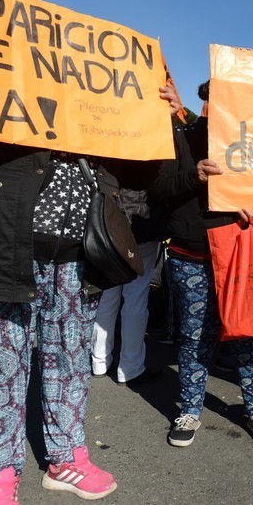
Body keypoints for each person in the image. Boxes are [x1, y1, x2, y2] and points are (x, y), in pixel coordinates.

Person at [0, 9, 180, 502]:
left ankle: (66, 457)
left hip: (79, 261)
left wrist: (163, 118)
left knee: (69, 364)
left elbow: (154, 179)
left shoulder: (101, 116)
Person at [149, 81, 253, 448]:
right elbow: (158, 189)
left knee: (247, 333)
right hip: (191, 254)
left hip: (239, 253)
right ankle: (190, 408)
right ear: (205, 102)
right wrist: (196, 176)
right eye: (214, 99)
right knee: (193, 338)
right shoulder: (182, 136)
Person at [90, 163, 166, 386]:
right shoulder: (151, 144)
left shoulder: (108, 140)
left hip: (110, 219)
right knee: (137, 298)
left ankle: (99, 360)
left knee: (107, 294)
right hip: (144, 222)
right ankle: (130, 367)